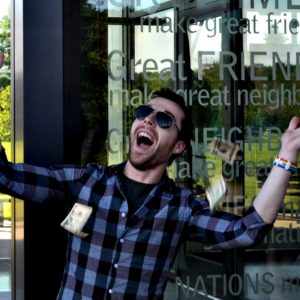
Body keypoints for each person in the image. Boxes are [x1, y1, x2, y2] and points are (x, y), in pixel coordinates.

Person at [0, 88, 299, 299]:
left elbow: (248, 230)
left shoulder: (180, 209)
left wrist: (286, 154)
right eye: (145, 112)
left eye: (165, 119)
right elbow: (6, 176)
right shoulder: (86, 181)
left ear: (178, 147)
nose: (149, 120)